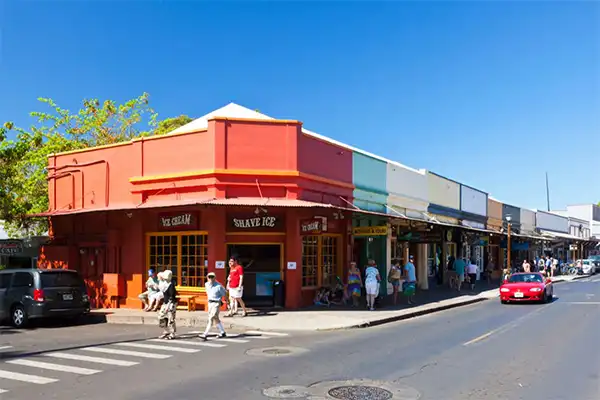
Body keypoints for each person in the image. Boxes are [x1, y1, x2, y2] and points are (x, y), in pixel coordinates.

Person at [199, 272, 227, 340]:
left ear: (215, 278)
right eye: (209, 277)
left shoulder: (219, 286)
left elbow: (225, 293)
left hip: (216, 303)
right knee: (215, 318)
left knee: (211, 317)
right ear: (207, 278)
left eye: (212, 277)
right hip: (210, 303)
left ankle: (205, 333)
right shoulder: (206, 284)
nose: (210, 278)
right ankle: (222, 332)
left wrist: (226, 301)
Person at [157, 270, 177, 340]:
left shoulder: (171, 285)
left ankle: (172, 333)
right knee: (161, 316)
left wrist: (168, 305)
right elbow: (161, 290)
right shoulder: (164, 284)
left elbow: (172, 296)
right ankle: (166, 331)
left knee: (171, 318)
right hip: (165, 302)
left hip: (171, 303)